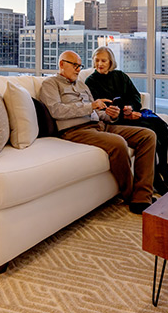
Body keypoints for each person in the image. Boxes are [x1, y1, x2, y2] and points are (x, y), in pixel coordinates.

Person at [38, 50, 156, 214]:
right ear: (61, 64)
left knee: (147, 136)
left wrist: (111, 115)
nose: (78, 69)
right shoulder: (50, 84)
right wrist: (91, 106)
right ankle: (132, 196)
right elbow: (56, 111)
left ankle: (143, 195)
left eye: (80, 66)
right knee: (118, 143)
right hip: (75, 131)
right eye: (75, 65)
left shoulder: (82, 85)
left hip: (99, 125)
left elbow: (95, 112)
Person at [84, 46, 168, 195]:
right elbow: (99, 110)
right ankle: (155, 180)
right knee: (150, 132)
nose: (99, 64)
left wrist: (131, 108)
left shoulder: (120, 76)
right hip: (115, 120)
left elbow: (135, 96)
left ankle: (164, 171)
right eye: (97, 60)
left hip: (130, 114)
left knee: (161, 126)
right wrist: (122, 114)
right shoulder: (90, 82)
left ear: (110, 62)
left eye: (103, 61)